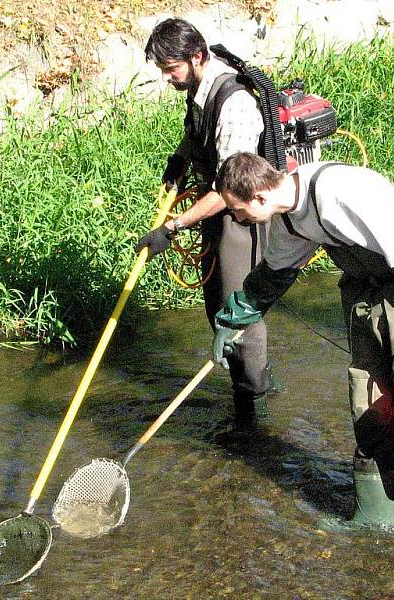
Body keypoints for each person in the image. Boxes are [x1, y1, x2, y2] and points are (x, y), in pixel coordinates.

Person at [210, 152, 394, 530]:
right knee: (370, 395)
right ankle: (376, 514)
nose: (238, 219)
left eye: (238, 210)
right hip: (365, 296)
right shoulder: (290, 220)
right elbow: (272, 276)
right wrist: (232, 320)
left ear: (258, 198)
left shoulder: (339, 191)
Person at [135, 18, 280, 421]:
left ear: (196, 56)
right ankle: (255, 384)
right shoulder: (199, 87)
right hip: (215, 211)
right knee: (216, 307)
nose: (167, 78)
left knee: (240, 316)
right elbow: (196, 131)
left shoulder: (234, 102)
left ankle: (254, 413)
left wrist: (173, 226)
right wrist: (179, 159)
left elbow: (227, 190)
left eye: (170, 69)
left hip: (241, 215)